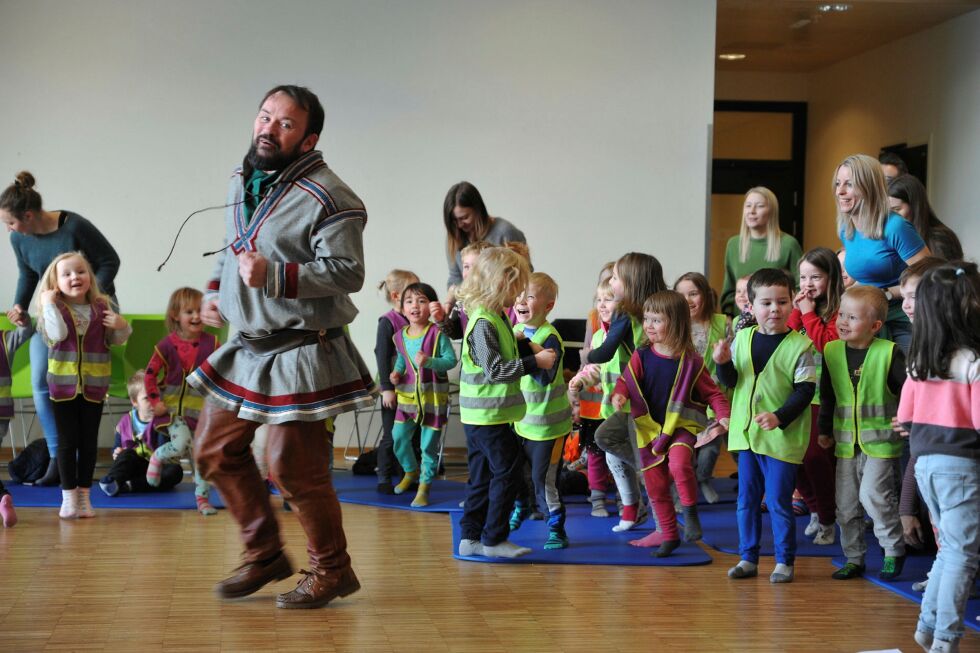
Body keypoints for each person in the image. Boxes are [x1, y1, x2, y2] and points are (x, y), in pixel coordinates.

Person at [188, 85, 377, 609]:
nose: (269, 129)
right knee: (213, 449)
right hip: (247, 347)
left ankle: (333, 570)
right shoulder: (242, 177)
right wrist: (214, 289)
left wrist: (274, 274)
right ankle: (266, 553)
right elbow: (237, 244)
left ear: (308, 138)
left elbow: (349, 272)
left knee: (291, 468)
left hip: (302, 351)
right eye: (265, 116)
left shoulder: (333, 197)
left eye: (285, 124)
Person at [2, 171, 121, 486]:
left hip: (92, 308)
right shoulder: (19, 239)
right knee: (42, 379)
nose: (9, 230)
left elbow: (110, 261)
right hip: (54, 311)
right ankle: (58, 457)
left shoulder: (74, 226)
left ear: (27, 216)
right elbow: (28, 274)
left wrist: (92, 296)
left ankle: (80, 458)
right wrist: (19, 305)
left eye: (10, 223)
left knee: (83, 380)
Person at [713, 268, 816, 583]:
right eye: (766, 303)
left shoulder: (801, 346)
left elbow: (805, 390)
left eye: (782, 302)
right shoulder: (742, 338)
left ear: (792, 304)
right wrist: (722, 363)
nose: (775, 309)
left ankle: (784, 560)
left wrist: (779, 416)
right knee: (746, 500)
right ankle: (748, 558)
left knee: (778, 501)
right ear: (751, 307)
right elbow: (732, 381)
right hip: (746, 438)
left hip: (781, 440)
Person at [898, 262, 980, 653]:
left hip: (925, 464)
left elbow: (905, 419)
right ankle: (946, 640)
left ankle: (927, 626)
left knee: (949, 550)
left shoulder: (918, 362)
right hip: (961, 466)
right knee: (963, 555)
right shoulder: (971, 362)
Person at [611, 291, 730, 557]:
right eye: (647, 320)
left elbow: (713, 393)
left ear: (675, 323)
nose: (649, 326)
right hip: (649, 430)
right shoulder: (641, 355)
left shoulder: (692, 362)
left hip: (681, 426)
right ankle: (669, 534)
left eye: (656, 320)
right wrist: (619, 395)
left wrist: (723, 414)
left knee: (678, 464)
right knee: (654, 485)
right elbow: (625, 381)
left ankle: (690, 513)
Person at [456, 247, 555, 559]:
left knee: (482, 476)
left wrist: (527, 345)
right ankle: (493, 539)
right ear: (500, 284)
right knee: (509, 472)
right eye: (517, 286)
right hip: (487, 417)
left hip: (486, 416)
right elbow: (496, 370)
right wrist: (536, 362)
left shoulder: (496, 316)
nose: (521, 294)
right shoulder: (484, 322)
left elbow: (507, 348)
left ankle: (470, 537)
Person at [818, 286, 907, 581]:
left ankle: (893, 550)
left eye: (852, 317)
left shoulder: (889, 353)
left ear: (875, 326)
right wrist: (823, 430)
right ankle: (854, 558)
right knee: (846, 504)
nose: (843, 321)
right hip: (845, 443)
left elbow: (908, 392)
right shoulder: (831, 352)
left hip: (881, 443)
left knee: (874, 496)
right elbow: (828, 395)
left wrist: (907, 418)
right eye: (841, 314)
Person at [36, 252, 130, 519]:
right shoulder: (53, 310)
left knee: (89, 444)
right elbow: (58, 335)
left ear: (89, 276)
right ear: (55, 283)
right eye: (66, 274)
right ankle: (68, 498)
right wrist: (49, 304)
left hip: (94, 385)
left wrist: (122, 326)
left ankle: (85, 497)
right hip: (62, 388)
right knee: (67, 443)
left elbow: (117, 339)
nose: (75, 277)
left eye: (80, 271)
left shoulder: (102, 306)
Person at [586, 252, 666, 531]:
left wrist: (588, 356)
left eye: (616, 278)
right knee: (609, 445)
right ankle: (634, 509)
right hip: (649, 391)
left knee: (622, 445)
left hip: (644, 397)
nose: (612, 282)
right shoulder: (658, 308)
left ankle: (657, 514)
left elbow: (606, 350)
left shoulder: (627, 313)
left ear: (631, 283)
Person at [834, 154, 931, 352]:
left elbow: (929, 275)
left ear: (870, 187)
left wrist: (886, 293)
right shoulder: (846, 229)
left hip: (902, 319)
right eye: (837, 184)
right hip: (866, 318)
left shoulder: (895, 226)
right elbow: (868, 275)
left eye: (849, 184)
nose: (840, 191)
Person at [142, 287, 220, 515]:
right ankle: (157, 457)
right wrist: (155, 401)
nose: (196, 316)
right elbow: (149, 375)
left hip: (200, 413)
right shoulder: (166, 345)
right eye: (189, 312)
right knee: (181, 441)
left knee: (202, 458)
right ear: (176, 315)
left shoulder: (212, 344)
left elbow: (222, 373)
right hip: (173, 411)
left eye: (199, 311)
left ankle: (203, 500)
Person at [510, 272, 573, 550]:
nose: (521, 301)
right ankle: (523, 507)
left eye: (530, 296)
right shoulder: (516, 331)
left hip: (549, 425)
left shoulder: (549, 337)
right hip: (522, 420)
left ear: (548, 306)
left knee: (543, 478)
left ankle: (556, 527)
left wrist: (525, 347)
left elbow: (544, 377)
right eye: (519, 295)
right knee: (516, 471)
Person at [787, 247, 843, 546]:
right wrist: (798, 310)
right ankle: (813, 508)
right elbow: (788, 337)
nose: (808, 283)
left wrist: (808, 313)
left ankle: (827, 519)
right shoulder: (802, 308)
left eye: (816, 277)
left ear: (831, 278)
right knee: (792, 458)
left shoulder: (839, 311)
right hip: (798, 393)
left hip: (825, 397)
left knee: (815, 458)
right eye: (803, 277)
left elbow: (828, 346)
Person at [388, 282, 457, 507]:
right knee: (398, 439)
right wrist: (397, 374)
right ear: (402, 308)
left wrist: (429, 362)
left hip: (432, 400)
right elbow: (401, 359)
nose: (415, 306)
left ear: (432, 306)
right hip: (407, 399)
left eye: (421, 301)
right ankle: (411, 471)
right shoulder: (399, 336)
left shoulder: (437, 334)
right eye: (409, 301)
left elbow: (450, 361)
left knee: (428, 446)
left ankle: (424, 486)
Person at [674, 271, 731, 503]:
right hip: (682, 401)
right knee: (683, 451)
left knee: (711, 448)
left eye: (693, 293)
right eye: (682, 295)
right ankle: (681, 491)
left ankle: (703, 478)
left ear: (705, 296)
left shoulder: (722, 322)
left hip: (713, 399)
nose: (688, 300)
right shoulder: (674, 325)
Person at [568, 274, 617, 518]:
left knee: (619, 457)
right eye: (599, 299)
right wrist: (580, 379)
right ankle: (597, 497)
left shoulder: (624, 337)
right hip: (594, 409)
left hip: (617, 410)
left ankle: (623, 499)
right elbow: (593, 368)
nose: (602, 305)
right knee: (596, 455)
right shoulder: (598, 336)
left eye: (609, 299)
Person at [719, 187, 803, 317]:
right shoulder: (733, 244)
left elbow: (800, 287)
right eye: (748, 206)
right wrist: (730, 318)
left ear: (771, 211)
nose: (752, 211)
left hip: (776, 320)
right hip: (741, 324)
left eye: (759, 206)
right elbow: (729, 291)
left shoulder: (788, 244)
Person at [99, 370, 185, 497]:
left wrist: (162, 425)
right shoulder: (126, 421)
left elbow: (164, 454)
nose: (153, 402)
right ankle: (112, 481)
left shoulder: (165, 420)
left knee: (176, 472)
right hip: (136, 466)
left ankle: (130, 486)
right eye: (147, 398)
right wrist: (116, 452)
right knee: (126, 454)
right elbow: (117, 448)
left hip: (159, 469)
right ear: (134, 402)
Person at [374, 269, 419, 494]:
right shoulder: (388, 322)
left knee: (412, 434)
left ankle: (408, 476)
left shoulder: (416, 320)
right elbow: (382, 356)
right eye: (411, 294)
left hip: (414, 389)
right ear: (396, 296)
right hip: (394, 388)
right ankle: (384, 477)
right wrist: (386, 389)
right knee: (392, 434)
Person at [442, 181, 526, 292]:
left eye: (465, 217)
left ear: (478, 210)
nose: (459, 224)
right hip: (468, 305)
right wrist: (451, 297)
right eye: (454, 220)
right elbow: (455, 278)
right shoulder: (454, 238)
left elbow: (524, 274)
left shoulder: (505, 232)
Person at [0, 319, 33, 527]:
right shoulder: (5, 339)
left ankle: (2, 497)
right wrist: (24, 320)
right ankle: (2, 498)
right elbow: (25, 332)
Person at [887, 174, 964, 262]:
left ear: (915, 207)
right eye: (889, 211)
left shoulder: (941, 239)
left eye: (897, 209)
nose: (892, 217)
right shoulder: (890, 236)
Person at [431, 240, 493, 340]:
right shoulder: (462, 300)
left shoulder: (500, 298)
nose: (470, 272)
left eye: (476, 266)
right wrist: (441, 319)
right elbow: (456, 333)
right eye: (466, 267)